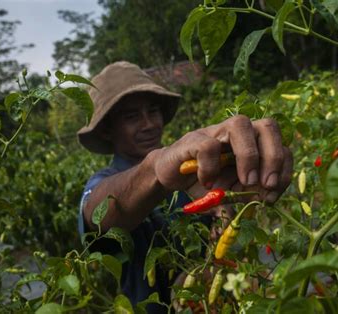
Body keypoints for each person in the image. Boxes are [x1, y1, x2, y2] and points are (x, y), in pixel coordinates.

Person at [77, 61, 293, 312]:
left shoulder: (192, 168)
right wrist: (156, 168)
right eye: (132, 116)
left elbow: (220, 225)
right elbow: (97, 212)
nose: (149, 124)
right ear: (106, 130)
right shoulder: (105, 181)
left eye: (153, 111)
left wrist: (228, 211)